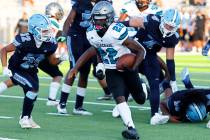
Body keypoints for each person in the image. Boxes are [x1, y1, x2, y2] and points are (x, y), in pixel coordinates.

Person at [69, 1, 146, 139]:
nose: (97, 21)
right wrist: (77, 67)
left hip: (126, 67)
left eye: (101, 18)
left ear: (109, 18)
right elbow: (95, 49)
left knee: (140, 99)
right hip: (111, 70)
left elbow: (141, 50)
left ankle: (143, 86)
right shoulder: (91, 32)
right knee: (119, 98)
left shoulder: (116, 31)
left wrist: (133, 68)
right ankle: (131, 128)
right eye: (95, 18)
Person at [0, 14, 60, 128]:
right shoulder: (24, 40)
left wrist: (60, 59)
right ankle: (24, 119)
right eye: (44, 31)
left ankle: (27, 117)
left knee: (34, 93)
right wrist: (4, 67)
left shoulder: (51, 43)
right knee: (32, 89)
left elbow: (52, 62)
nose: (47, 34)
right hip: (17, 68)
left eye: (48, 31)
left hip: (31, 70)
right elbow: (4, 50)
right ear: (34, 30)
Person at [125, 8, 181, 125]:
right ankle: (121, 105)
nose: (168, 29)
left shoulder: (172, 37)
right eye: (167, 25)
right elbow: (130, 22)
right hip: (134, 51)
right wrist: (112, 26)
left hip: (149, 55)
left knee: (154, 83)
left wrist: (173, 81)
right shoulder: (151, 21)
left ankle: (154, 115)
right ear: (162, 20)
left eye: (172, 27)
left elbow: (170, 60)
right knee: (127, 78)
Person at [57, 0, 112, 115]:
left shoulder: (102, 5)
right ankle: (62, 103)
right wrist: (63, 36)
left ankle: (78, 106)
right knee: (74, 69)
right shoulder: (81, 3)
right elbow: (69, 21)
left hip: (90, 38)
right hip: (75, 37)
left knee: (85, 72)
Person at [42, 2, 66, 106]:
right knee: (57, 74)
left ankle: (51, 100)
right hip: (40, 53)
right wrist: (60, 58)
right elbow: (49, 42)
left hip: (32, 50)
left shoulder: (42, 20)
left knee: (17, 78)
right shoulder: (54, 24)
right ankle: (51, 99)